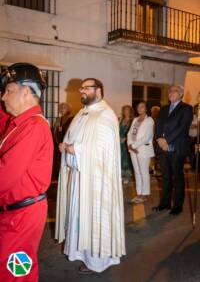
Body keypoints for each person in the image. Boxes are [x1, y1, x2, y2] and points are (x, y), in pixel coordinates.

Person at [55, 78, 125, 274]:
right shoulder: (83, 112)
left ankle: (98, 262)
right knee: (79, 217)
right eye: (81, 88)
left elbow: (101, 148)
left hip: (97, 180)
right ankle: (82, 254)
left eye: (86, 88)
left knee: (95, 219)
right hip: (80, 176)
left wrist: (71, 148)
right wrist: (68, 147)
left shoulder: (105, 114)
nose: (82, 91)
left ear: (99, 90)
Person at [0, 63, 53, 281]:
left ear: (26, 91)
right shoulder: (21, 123)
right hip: (17, 212)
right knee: (16, 269)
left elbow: (5, 175)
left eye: (8, 91)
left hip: (22, 216)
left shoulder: (33, 126)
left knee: (14, 272)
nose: (3, 97)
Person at [153, 84, 193, 215]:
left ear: (181, 94)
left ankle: (177, 206)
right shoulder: (164, 109)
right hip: (163, 148)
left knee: (178, 178)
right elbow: (158, 125)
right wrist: (159, 139)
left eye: (174, 91)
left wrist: (167, 140)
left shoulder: (186, 108)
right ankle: (165, 203)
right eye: (169, 91)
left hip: (177, 147)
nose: (170, 93)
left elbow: (182, 128)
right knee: (165, 177)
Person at [127, 101, 155, 203]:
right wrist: (130, 145)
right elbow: (129, 133)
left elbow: (147, 137)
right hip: (133, 149)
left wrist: (134, 146)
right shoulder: (135, 119)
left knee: (144, 172)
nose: (139, 108)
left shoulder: (149, 120)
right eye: (138, 107)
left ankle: (145, 194)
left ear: (146, 108)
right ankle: (139, 193)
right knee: (137, 172)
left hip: (143, 149)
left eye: (142, 106)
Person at [52, 102, 73, 179]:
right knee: (57, 163)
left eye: (64, 108)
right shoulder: (58, 119)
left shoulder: (72, 119)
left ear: (68, 109)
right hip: (57, 144)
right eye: (60, 108)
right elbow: (54, 131)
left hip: (66, 146)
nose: (61, 109)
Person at [119, 105, 134, 184]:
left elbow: (133, 133)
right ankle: (121, 175)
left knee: (127, 159)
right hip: (119, 143)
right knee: (120, 159)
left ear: (130, 111)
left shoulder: (133, 120)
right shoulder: (121, 120)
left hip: (127, 142)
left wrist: (125, 139)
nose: (126, 111)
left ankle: (128, 176)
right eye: (124, 110)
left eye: (127, 110)